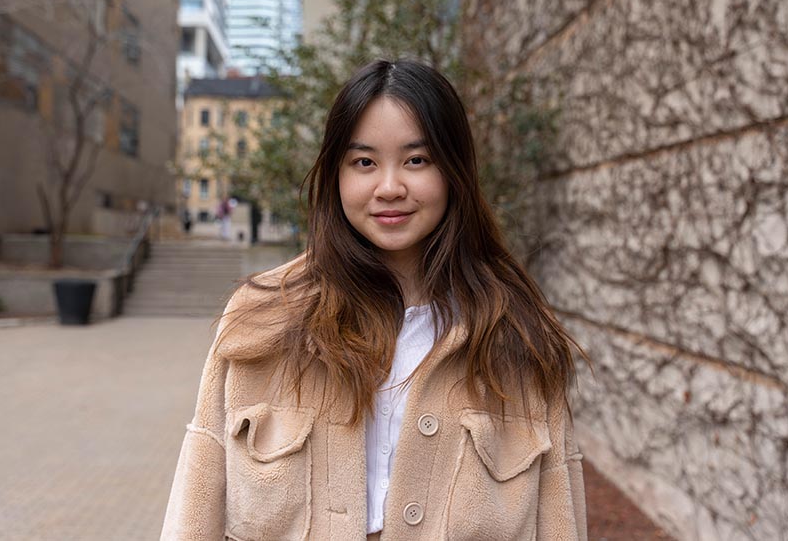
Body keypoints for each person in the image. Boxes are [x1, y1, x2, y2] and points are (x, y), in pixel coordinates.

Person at [161, 60, 588, 540]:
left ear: (454, 172)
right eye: (364, 162)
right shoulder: (259, 318)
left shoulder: (515, 335)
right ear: (336, 175)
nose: (390, 188)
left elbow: (560, 519)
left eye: (416, 160)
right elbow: (194, 505)